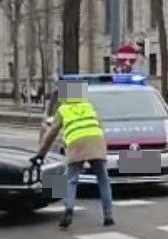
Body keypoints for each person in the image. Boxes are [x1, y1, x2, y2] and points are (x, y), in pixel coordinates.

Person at [33, 81, 114, 229]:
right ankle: (108, 215)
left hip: (76, 144)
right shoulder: (89, 106)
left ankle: (68, 209)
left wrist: (40, 154)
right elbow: (100, 127)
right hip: (96, 142)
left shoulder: (63, 110)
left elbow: (51, 134)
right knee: (103, 179)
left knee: (70, 180)